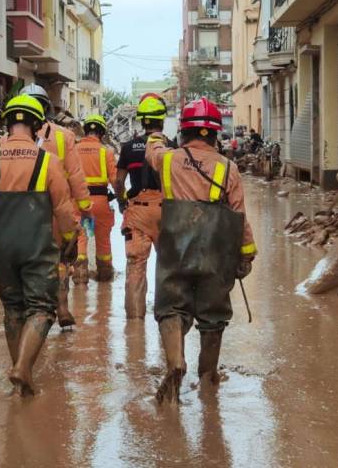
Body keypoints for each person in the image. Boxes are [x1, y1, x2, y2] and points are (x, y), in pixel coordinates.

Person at [0, 94, 78, 396]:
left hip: (1, 247)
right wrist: (70, 239)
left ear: (6, 125)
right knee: (41, 307)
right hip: (37, 245)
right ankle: (23, 367)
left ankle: (20, 377)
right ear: (38, 126)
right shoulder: (48, 162)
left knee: (12, 308)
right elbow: (64, 208)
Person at [145, 97, 257, 404]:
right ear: (215, 133)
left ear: (184, 131)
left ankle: (175, 362)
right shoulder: (229, 168)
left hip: (175, 248)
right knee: (213, 317)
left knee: (171, 307)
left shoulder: (166, 160)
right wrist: (246, 254)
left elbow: (152, 150)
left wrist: (154, 131)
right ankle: (208, 381)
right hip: (215, 254)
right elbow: (239, 217)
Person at [18, 83, 91, 328]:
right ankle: (61, 306)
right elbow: (75, 174)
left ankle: (33, 311)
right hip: (58, 208)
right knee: (60, 259)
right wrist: (84, 206)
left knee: (30, 260)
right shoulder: (64, 135)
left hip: (24, 211)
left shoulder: (9, 139)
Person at [113, 93, 168, 319]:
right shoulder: (171, 147)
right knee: (167, 267)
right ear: (162, 121)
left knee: (135, 267)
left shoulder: (127, 148)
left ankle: (134, 327)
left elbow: (118, 181)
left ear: (141, 120)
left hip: (137, 210)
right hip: (166, 211)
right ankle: (168, 319)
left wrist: (122, 201)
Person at [73, 114, 118, 283]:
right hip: (100, 202)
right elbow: (115, 181)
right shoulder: (106, 152)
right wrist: (123, 200)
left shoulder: (74, 150)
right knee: (103, 238)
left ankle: (80, 276)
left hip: (79, 201)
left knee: (82, 236)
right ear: (101, 132)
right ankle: (105, 277)